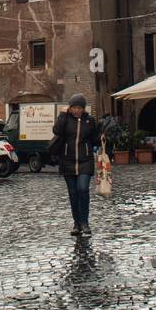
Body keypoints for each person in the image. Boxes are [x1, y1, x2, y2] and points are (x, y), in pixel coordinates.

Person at [51, 95, 98, 237]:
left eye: (79, 108)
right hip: (68, 161)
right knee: (73, 194)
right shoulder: (65, 119)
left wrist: (103, 134)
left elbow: (94, 139)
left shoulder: (90, 121)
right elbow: (57, 131)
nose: (77, 110)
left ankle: (85, 222)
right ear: (70, 108)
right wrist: (62, 114)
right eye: (74, 107)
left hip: (85, 161)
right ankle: (77, 224)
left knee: (83, 189)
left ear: (83, 109)